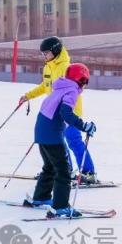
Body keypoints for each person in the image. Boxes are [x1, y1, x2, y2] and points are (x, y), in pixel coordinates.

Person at [19, 36, 98, 184]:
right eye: (43, 53)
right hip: (54, 112)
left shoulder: (65, 67)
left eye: (46, 53)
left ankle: (88, 173)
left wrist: (65, 111)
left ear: (55, 51)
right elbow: (45, 86)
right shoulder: (48, 66)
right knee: (58, 142)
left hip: (68, 111)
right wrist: (28, 96)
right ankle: (63, 169)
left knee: (73, 141)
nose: (44, 56)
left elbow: (70, 90)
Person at [29, 63, 97, 217]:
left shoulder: (60, 88)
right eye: (85, 82)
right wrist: (84, 126)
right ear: (81, 80)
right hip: (52, 134)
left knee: (50, 166)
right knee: (63, 171)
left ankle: (41, 197)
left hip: (41, 131)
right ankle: (60, 206)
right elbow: (66, 113)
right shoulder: (72, 91)